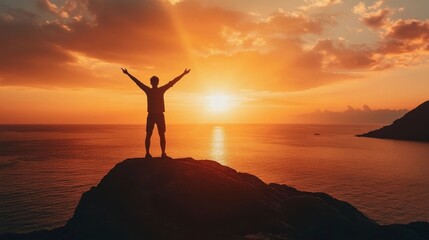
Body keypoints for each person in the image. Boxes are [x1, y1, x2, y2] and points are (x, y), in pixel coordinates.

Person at [121, 68, 191, 158]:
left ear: (151, 82)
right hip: (158, 115)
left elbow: (137, 82)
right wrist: (183, 74)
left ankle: (148, 153)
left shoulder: (149, 90)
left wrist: (128, 74)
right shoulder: (160, 90)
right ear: (157, 82)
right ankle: (162, 153)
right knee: (161, 134)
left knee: (149, 134)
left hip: (152, 115)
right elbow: (173, 82)